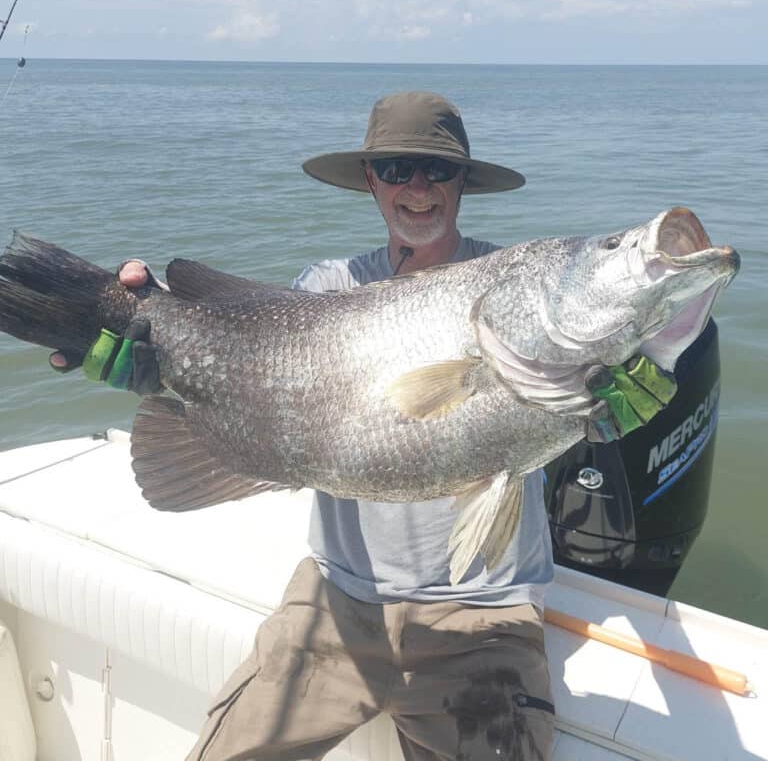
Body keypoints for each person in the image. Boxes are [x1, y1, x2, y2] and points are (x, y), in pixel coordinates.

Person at [50, 91, 676, 761]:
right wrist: (143, 343)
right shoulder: (326, 285)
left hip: (486, 618)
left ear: (463, 182)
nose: (418, 188)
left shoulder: (523, 281)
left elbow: (579, 389)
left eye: (437, 170)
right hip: (334, 601)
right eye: (398, 169)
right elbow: (254, 388)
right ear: (371, 182)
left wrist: (608, 412)